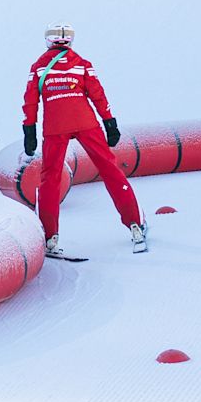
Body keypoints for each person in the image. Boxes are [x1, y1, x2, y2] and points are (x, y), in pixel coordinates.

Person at [23, 23, 146, 258]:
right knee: (110, 170)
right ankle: (135, 224)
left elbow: (30, 101)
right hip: (86, 123)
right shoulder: (81, 64)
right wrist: (110, 122)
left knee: (50, 178)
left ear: (48, 41)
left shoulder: (39, 68)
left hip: (55, 127)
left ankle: (50, 237)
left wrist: (29, 129)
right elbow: (98, 94)